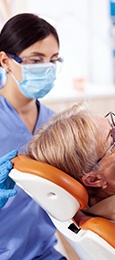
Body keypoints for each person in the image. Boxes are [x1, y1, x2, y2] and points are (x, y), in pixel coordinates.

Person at [0, 13, 65, 259]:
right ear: (5, 61)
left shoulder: (54, 123)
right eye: (36, 60)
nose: (47, 69)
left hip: (42, 250)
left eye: (53, 60)